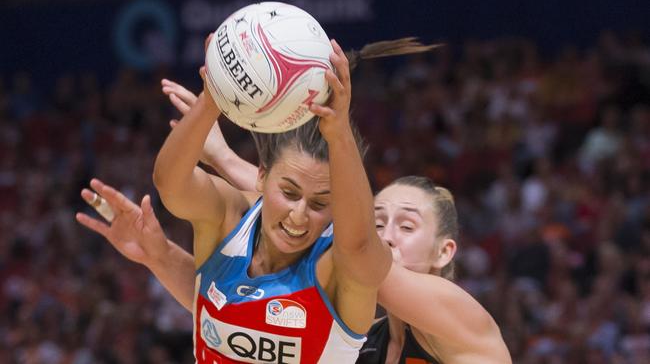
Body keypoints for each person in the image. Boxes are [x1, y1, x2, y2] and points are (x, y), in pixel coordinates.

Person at [78, 79, 512, 363]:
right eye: (376, 219)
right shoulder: (365, 340)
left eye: (407, 225)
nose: (384, 235)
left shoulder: (458, 323)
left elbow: (349, 240)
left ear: (445, 251)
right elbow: (245, 314)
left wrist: (232, 160)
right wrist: (160, 254)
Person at [151, 34, 392, 363]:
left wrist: (340, 135)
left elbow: (361, 244)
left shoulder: (338, 268)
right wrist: (212, 100)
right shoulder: (230, 219)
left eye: (320, 203)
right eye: (289, 193)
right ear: (262, 175)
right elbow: (170, 185)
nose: (299, 215)